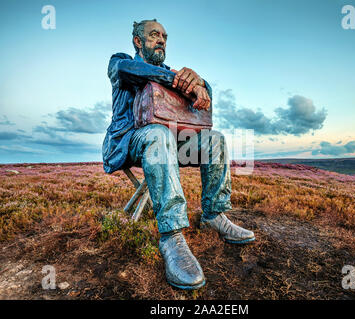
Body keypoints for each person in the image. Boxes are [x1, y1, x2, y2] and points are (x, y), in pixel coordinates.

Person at [102, 19, 255, 290]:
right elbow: (130, 69)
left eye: (164, 36)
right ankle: (171, 235)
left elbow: (203, 92)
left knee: (215, 140)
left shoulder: (171, 71)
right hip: (130, 141)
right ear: (138, 41)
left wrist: (199, 82)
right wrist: (179, 80)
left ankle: (214, 215)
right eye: (153, 35)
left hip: (171, 144)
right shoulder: (121, 61)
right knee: (158, 135)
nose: (161, 40)